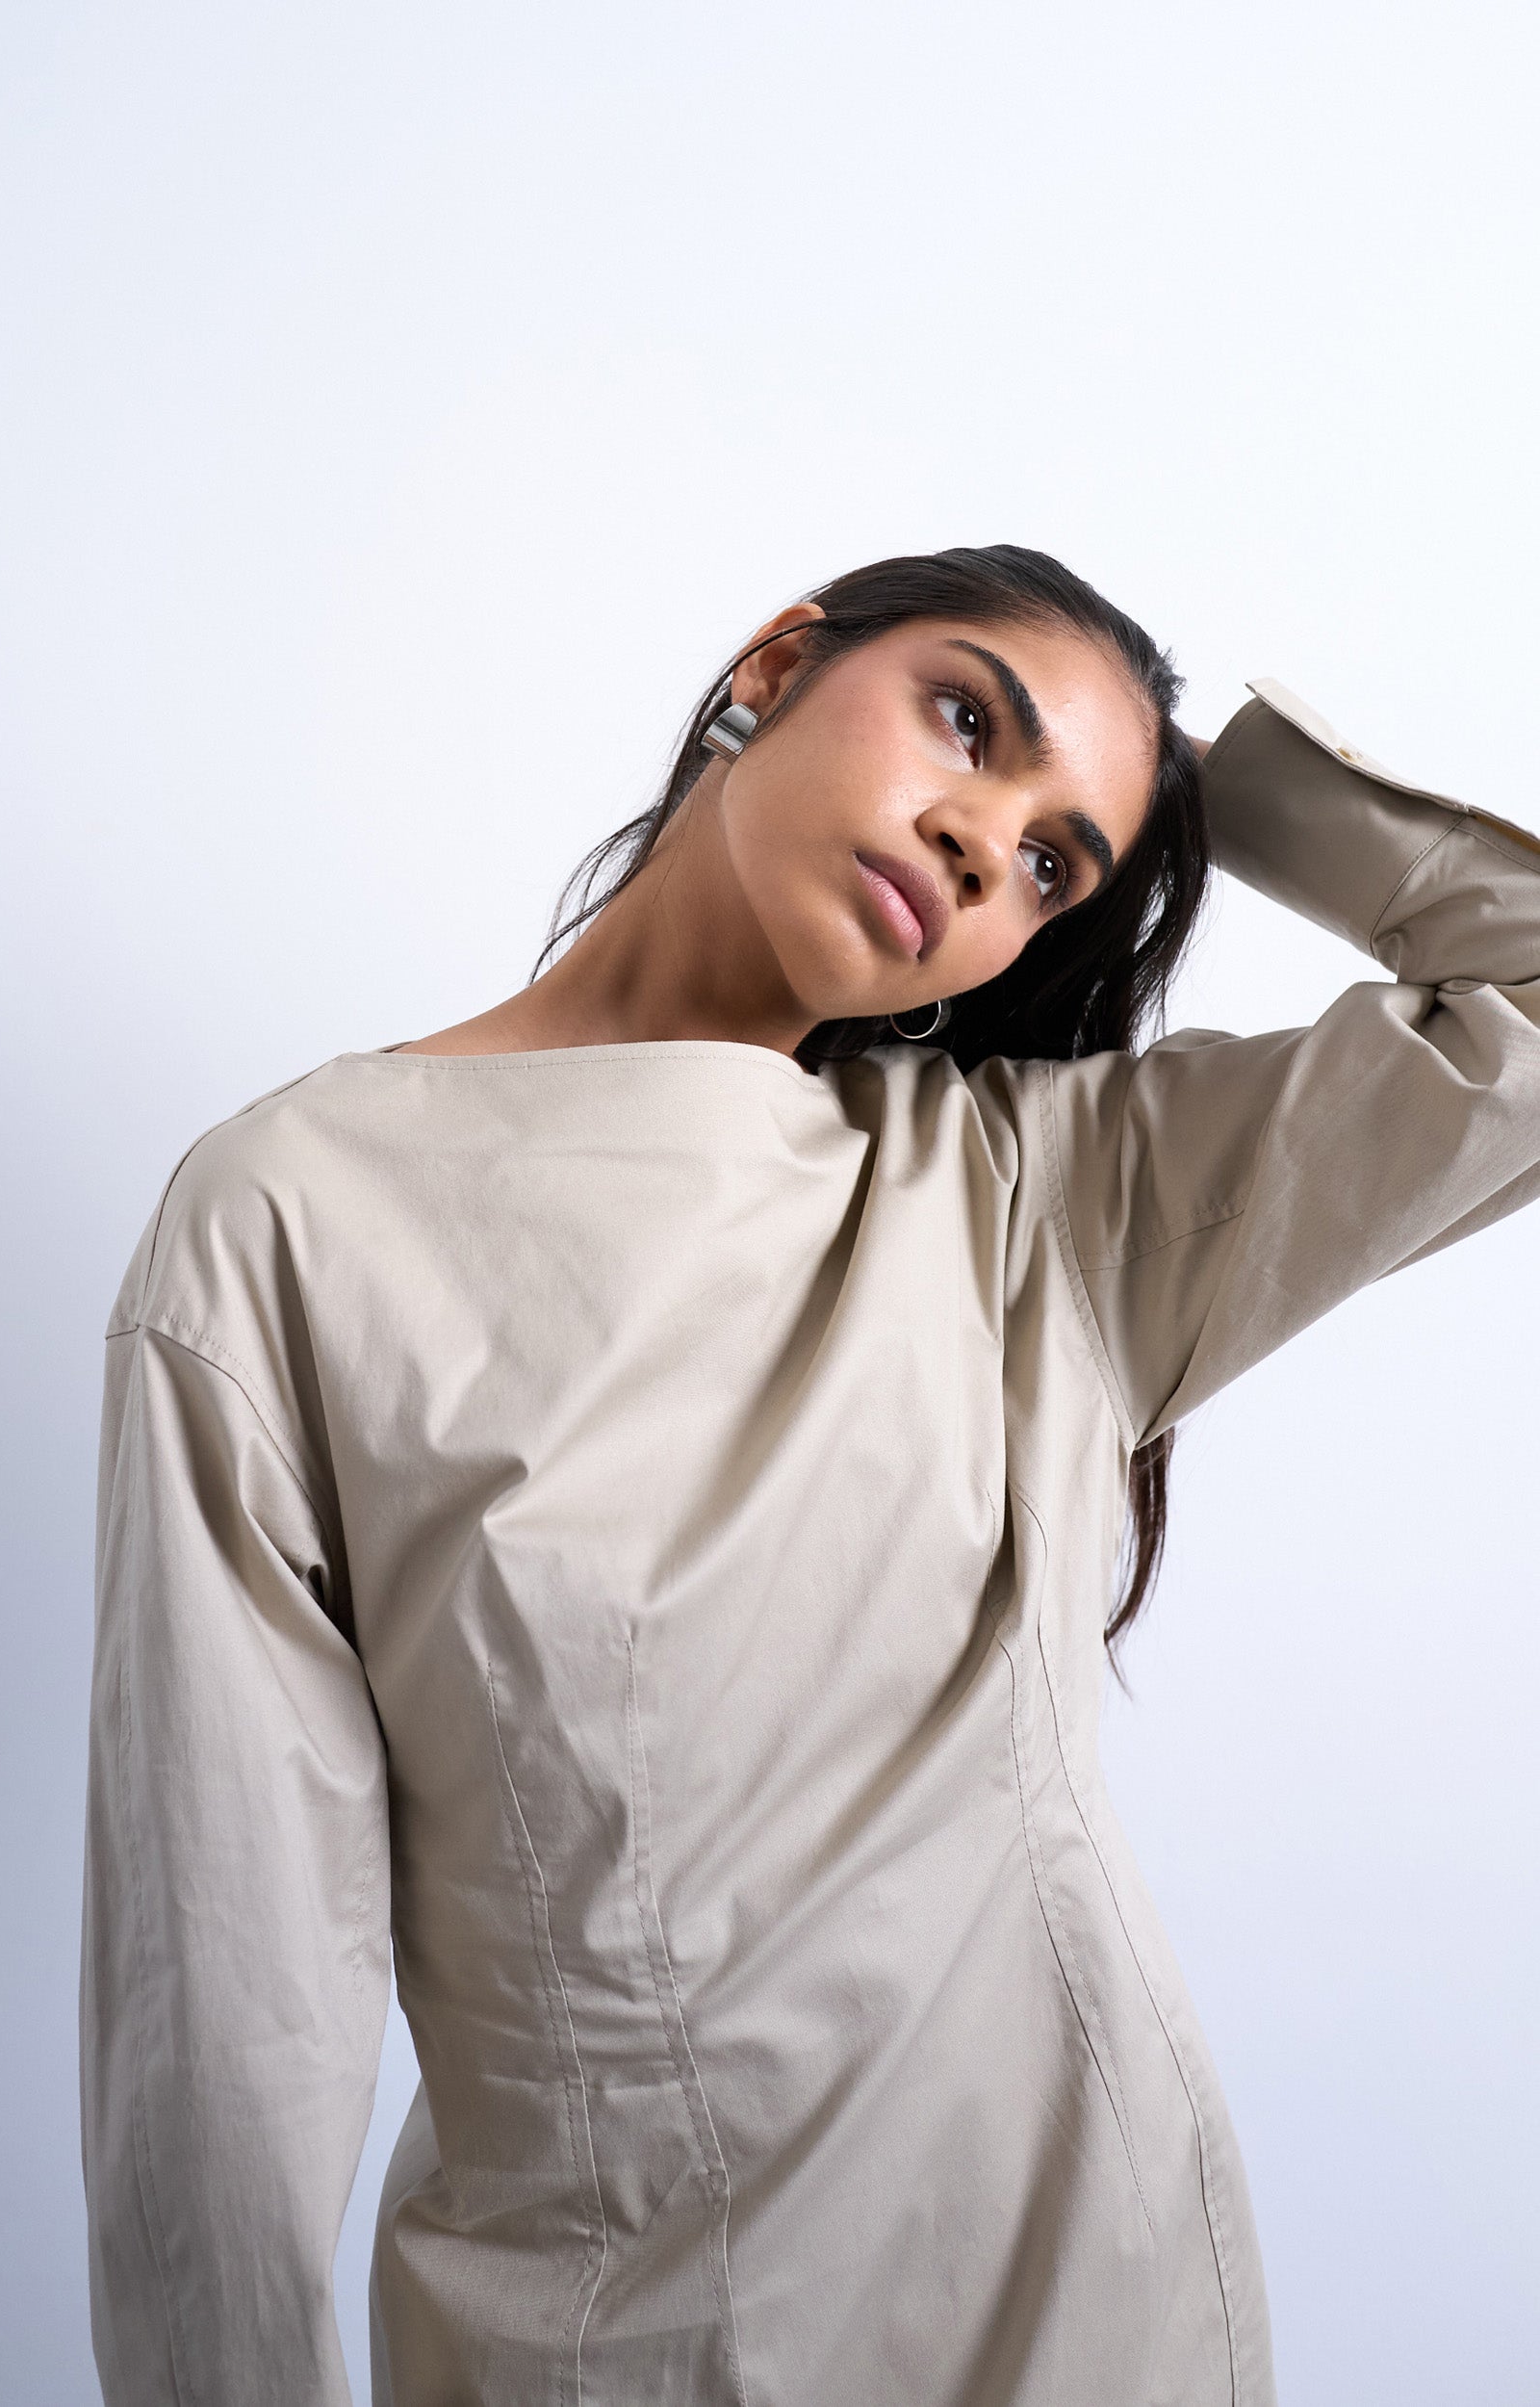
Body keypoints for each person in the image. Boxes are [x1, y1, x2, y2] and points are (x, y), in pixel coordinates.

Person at [78, 547, 1540, 2407]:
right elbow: (229, 1991)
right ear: (777, 663)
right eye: (967, 722)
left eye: (1053, 866)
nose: (980, 844)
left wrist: (1214, 782)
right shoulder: (296, 1216)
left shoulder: (1040, 1201)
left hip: (1098, 2322)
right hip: (613, 2353)